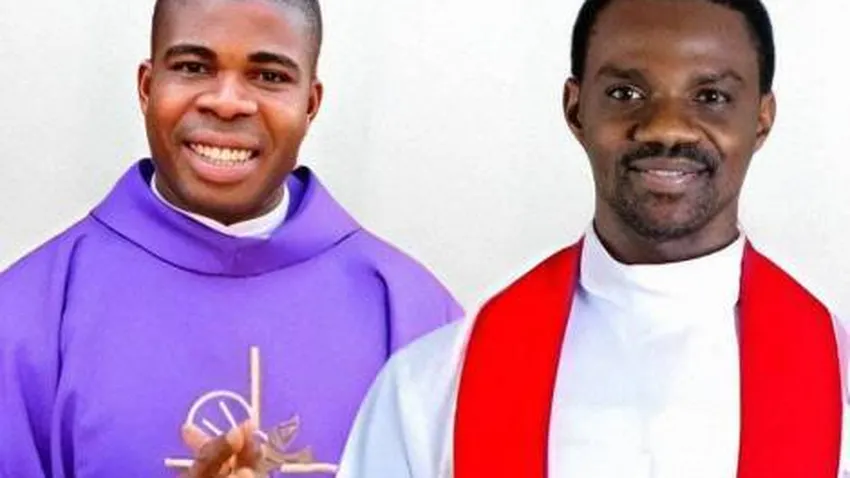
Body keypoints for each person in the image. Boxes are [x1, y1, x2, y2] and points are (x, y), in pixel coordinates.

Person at [334, 0, 849, 477]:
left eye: (711, 97)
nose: (666, 128)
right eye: (626, 94)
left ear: (761, 118)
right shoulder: (431, 387)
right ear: (576, 109)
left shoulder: (839, 383)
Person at [0, 0, 462, 476]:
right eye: (193, 67)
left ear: (310, 104)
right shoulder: (23, 319)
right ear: (146, 87)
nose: (226, 103)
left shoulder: (415, 317)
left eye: (269, 76)